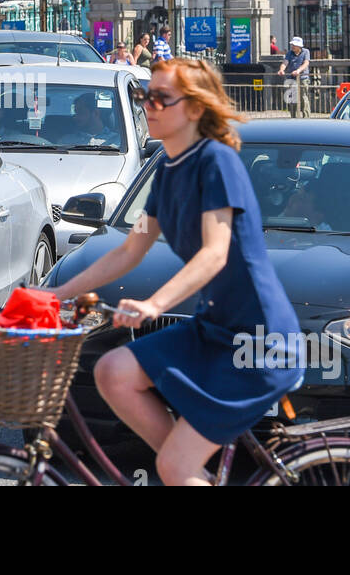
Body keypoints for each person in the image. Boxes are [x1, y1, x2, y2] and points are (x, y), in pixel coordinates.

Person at [51, 58, 304, 485]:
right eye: (143, 96)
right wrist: (56, 295)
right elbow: (129, 251)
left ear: (194, 108)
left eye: (159, 98)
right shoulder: (168, 172)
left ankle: (183, 470)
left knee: (173, 467)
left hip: (258, 342)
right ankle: (188, 472)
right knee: (113, 372)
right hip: (214, 329)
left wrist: (154, 304)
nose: (147, 105)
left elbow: (214, 254)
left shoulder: (216, 162)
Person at [278, 36, 311, 119]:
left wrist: (298, 70)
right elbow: (285, 63)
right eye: (292, 44)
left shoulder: (306, 52)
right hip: (291, 78)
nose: (292, 46)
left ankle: (306, 118)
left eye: (294, 45)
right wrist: (281, 70)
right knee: (292, 99)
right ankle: (294, 118)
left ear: (299, 46)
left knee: (304, 98)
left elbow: (306, 63)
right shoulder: (289, 53)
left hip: (303, 78)